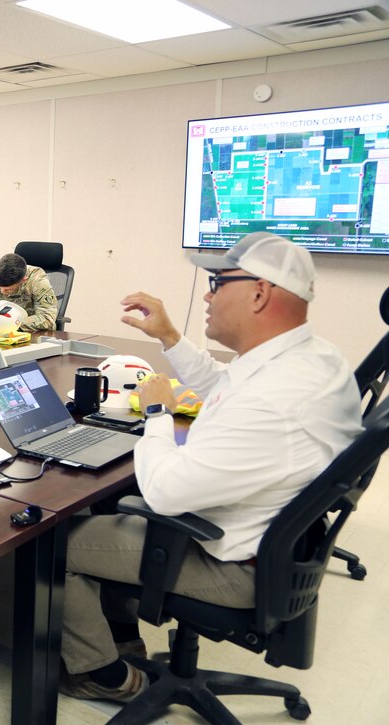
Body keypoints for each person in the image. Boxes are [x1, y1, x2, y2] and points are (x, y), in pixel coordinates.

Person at [58, 232, 362, 703]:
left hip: (229, 561)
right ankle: (123, 638)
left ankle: (103, 673)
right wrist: (169, 338)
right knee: (111, 504)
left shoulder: (271, 402)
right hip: (269, 544)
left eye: (219, 281)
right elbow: (225, 385)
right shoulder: (313, 359)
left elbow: (161, 492)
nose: (207, 293)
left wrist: (159, 414)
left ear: (259, 293)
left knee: (58, 543)